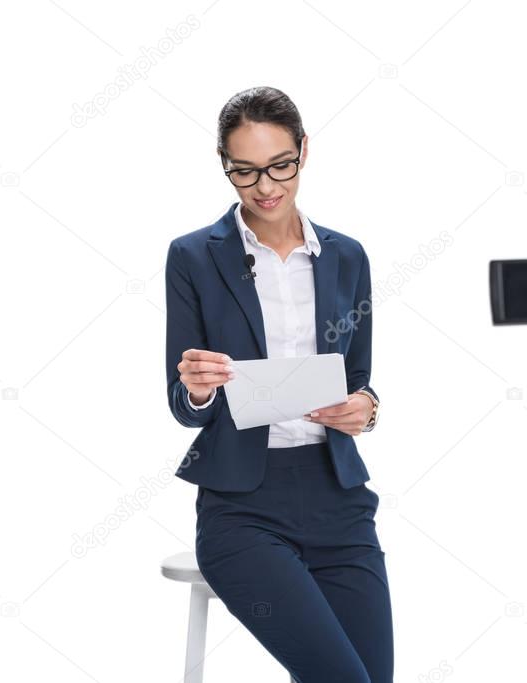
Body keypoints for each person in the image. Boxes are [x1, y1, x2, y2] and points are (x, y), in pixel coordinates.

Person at [163, 85, 392, 682]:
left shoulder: (347, 256)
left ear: (303, 152)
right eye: (244, 171)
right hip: (242, 508)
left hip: (337, 501)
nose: (265, 187)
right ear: (224, 165)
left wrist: (365, 410)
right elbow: (183, 404)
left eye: (279, 166)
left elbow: (360, 378)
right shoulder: (193, 256)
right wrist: (199, 388)